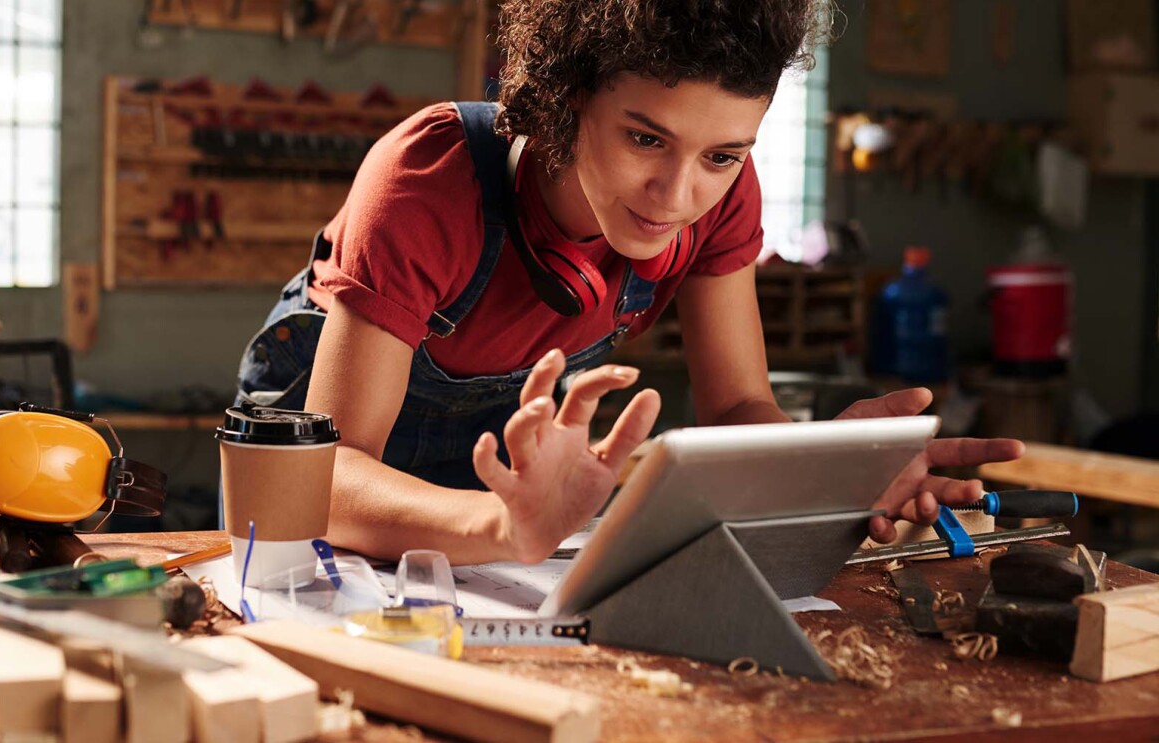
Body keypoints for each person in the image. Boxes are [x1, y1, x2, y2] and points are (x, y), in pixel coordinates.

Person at [235, 0, 1023, 564]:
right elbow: (322, 479)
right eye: (647, 137)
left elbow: (738, 407)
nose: (678, 196)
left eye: (722, 154)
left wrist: (826, 469)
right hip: (339, 491)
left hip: (503, 518)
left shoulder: (721, 202)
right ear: (564, 101)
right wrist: (502, 529)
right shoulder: (428, 180)